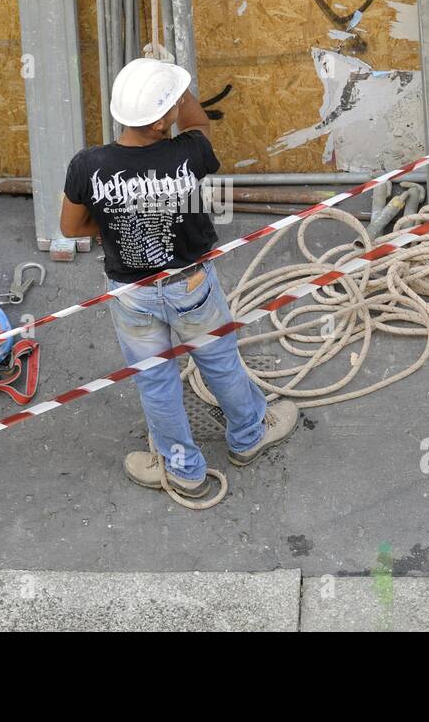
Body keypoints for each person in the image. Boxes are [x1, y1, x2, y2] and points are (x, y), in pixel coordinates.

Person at [60, 57, 299, 501]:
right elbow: (199, 123)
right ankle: (248, 436)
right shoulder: (187, 154)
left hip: (133, 295)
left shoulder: (87, 166)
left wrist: (117, 225)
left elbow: (71, 229)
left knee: (155, 380)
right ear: (162, 120)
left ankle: (182, 469)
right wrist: (180, 94)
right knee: (220, 363)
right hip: (191, 286)